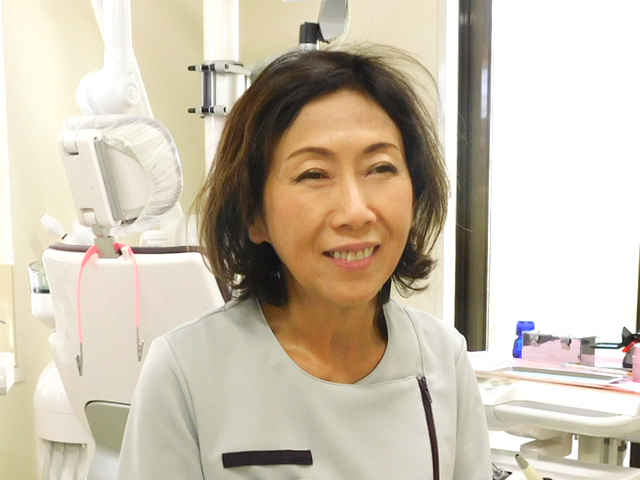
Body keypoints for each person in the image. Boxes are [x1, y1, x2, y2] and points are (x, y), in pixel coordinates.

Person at [118, 44, 491, 479]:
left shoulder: (442, 359)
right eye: (314, 174)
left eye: (380, 168)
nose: (355, 211)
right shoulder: (186, 372)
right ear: (255, 215)